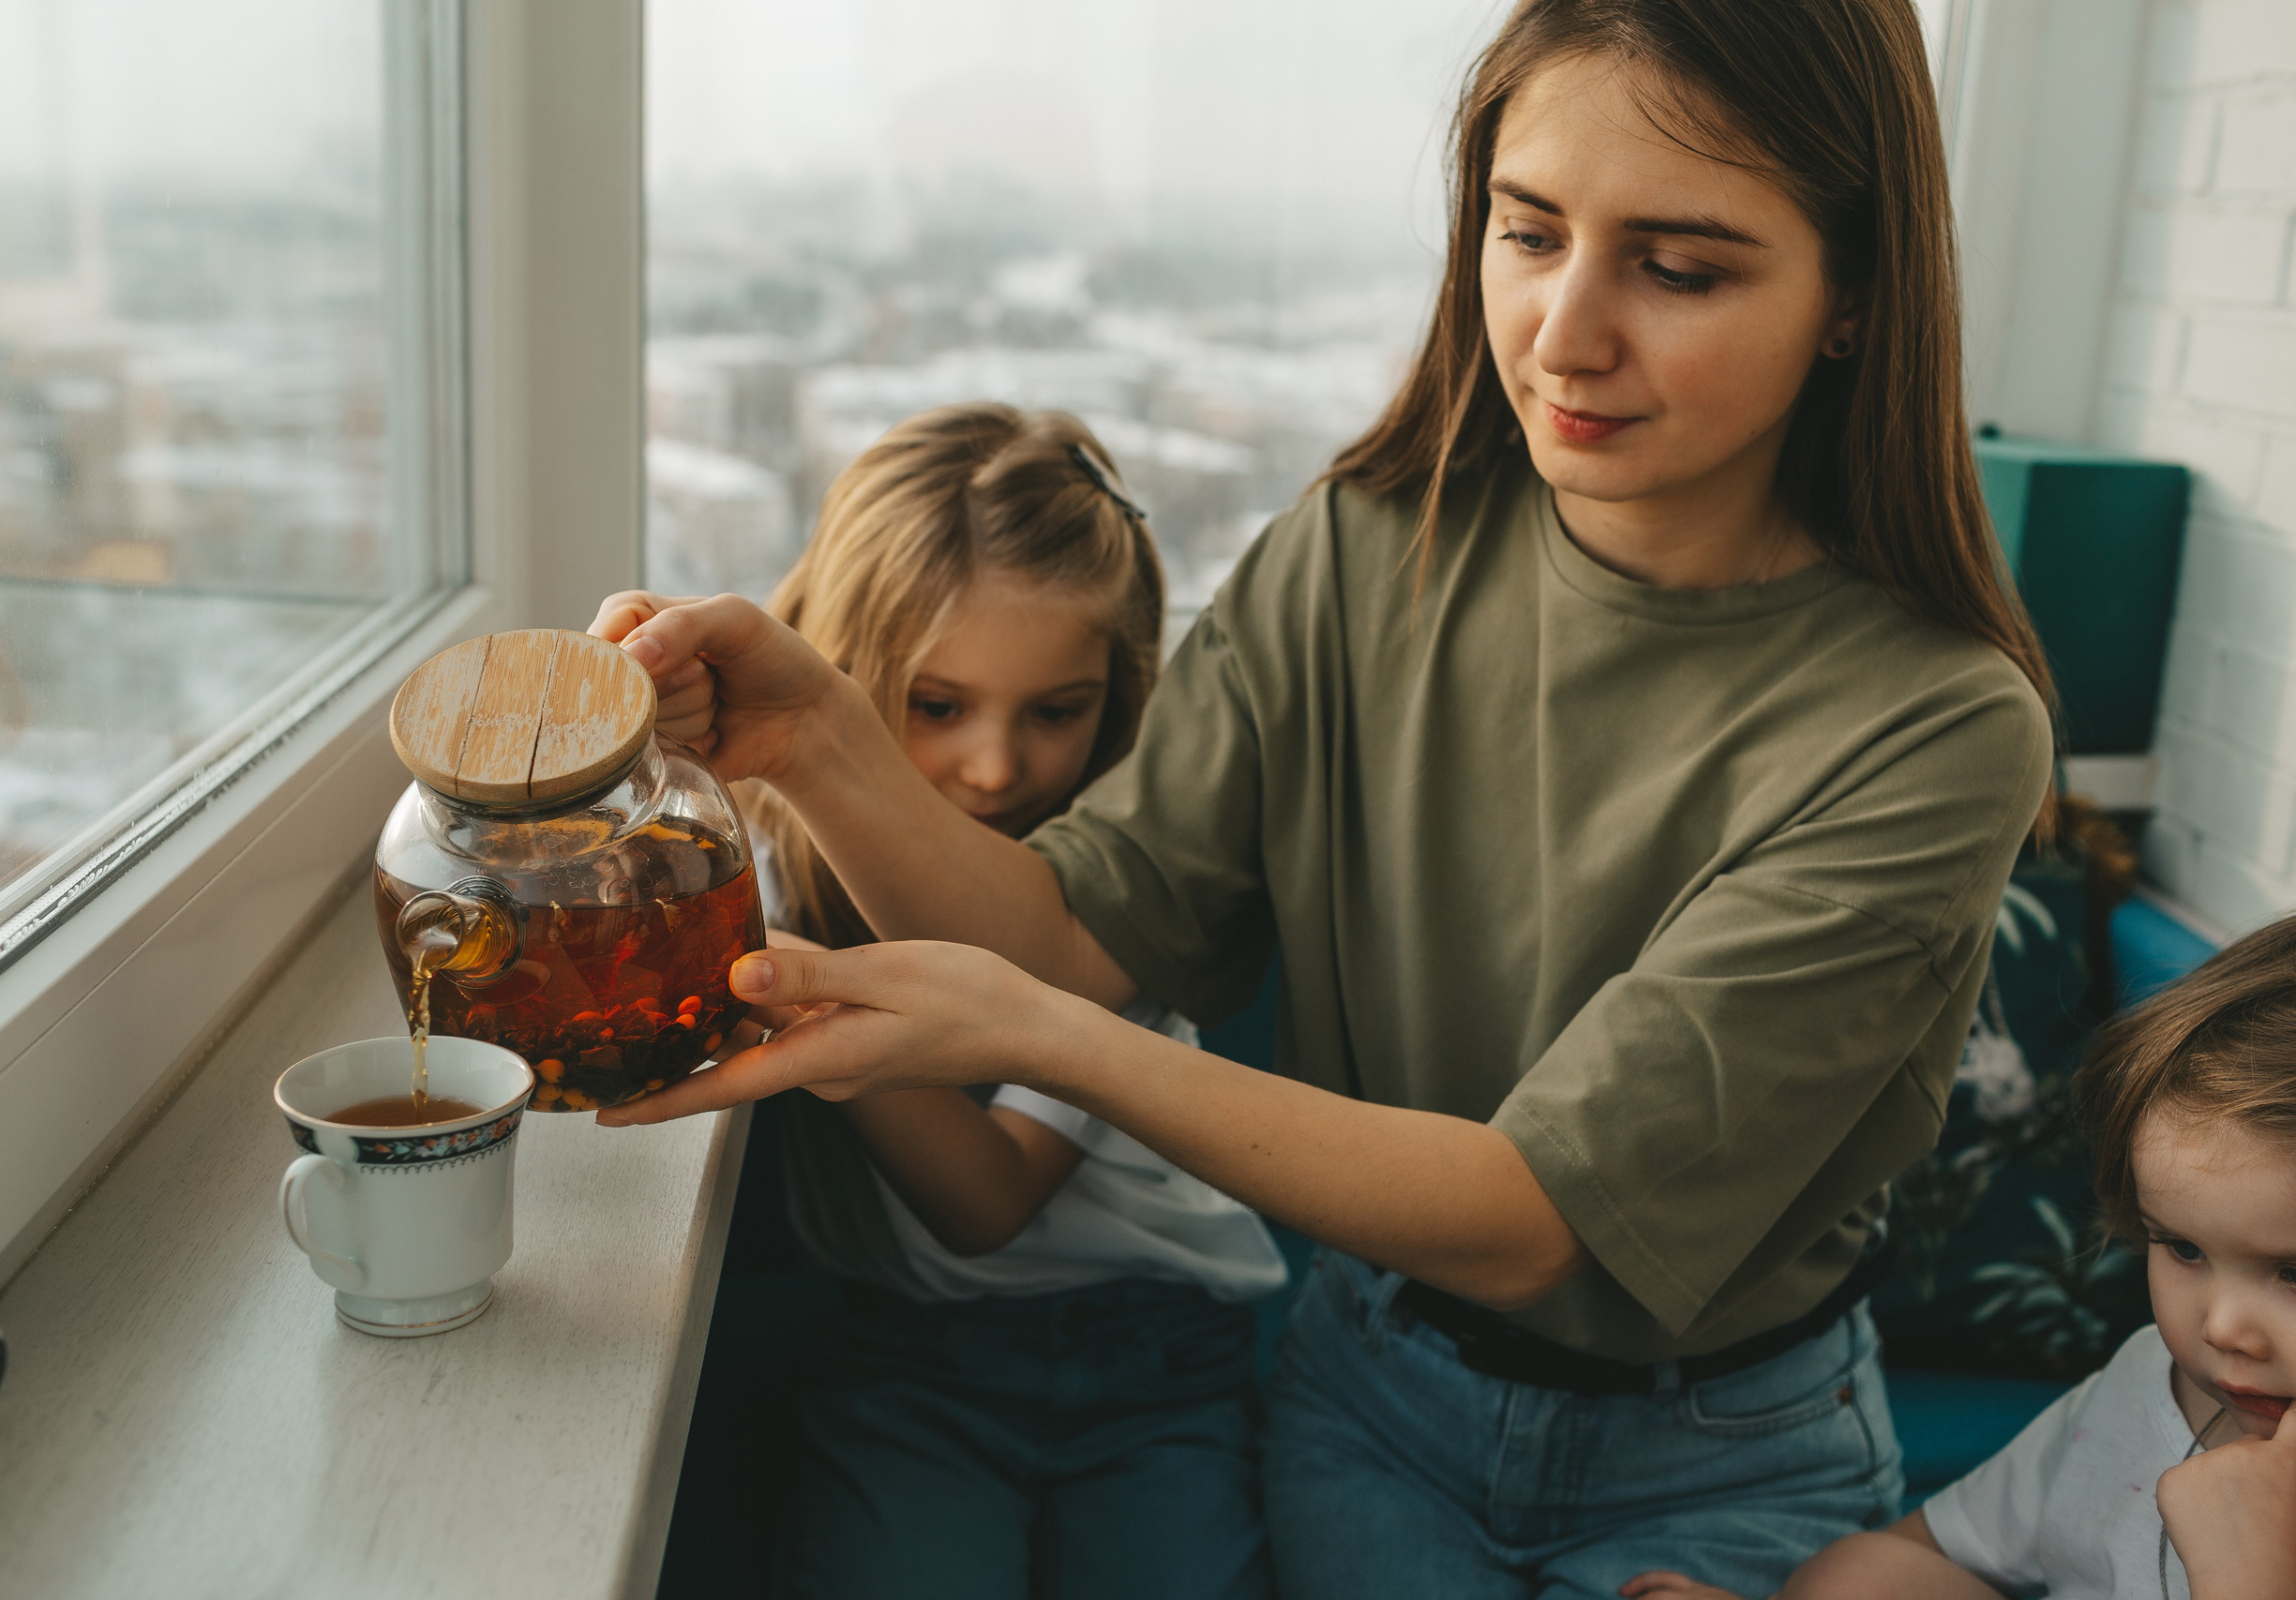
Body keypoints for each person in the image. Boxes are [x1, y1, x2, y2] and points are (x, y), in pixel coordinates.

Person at [593, 0, 2057, 1591]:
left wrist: (1034, 1036)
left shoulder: (1937, 727)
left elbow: (1529, 1215)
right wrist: (811, 732)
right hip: (1370, 1400)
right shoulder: (1364, 546)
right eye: (1527, 232)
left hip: (1716, 1466)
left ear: (1854, 291)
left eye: (1680, 268)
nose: (1565, 332)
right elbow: (1070, 928)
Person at [720, 403, 1284, 1600]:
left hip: (1154, 1358)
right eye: (937, 706)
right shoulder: (763, 854)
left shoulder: (1114, 897)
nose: (992, 767)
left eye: (1053, 711)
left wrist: (783, 987)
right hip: (900, 1355)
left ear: (1118, 695)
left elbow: (985, 1197)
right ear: (839, 681)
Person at [1622, 915, 2296, 1600]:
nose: (2222, 1328)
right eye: (2183, 1247)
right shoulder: (2147, 1376)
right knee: (1858, 1576)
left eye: (2293, 1272)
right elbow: (1932, 1544)